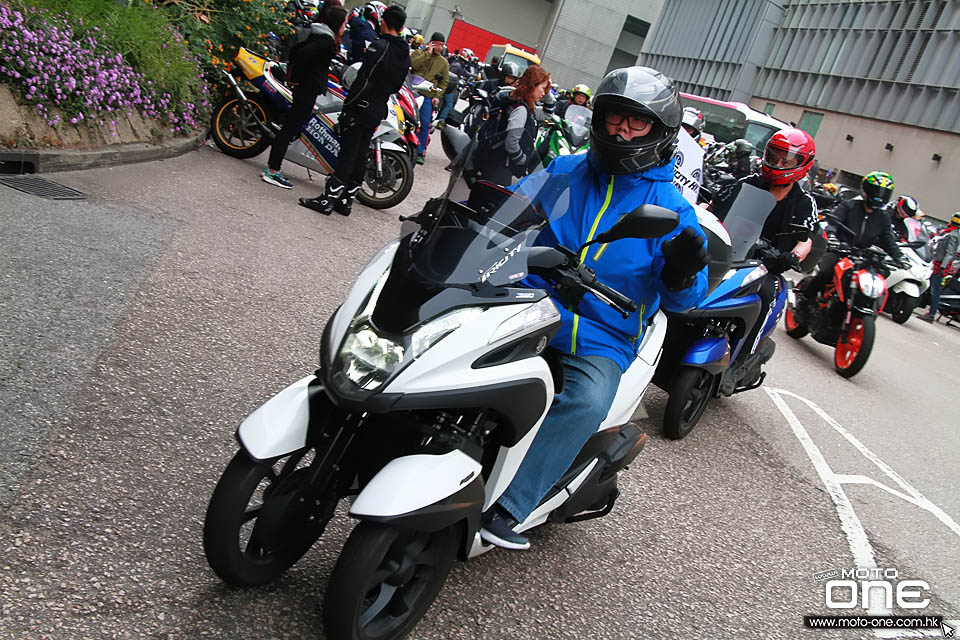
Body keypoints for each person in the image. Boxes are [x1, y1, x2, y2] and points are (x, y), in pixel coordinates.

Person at [479, 66, 710, 550]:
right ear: (599, 119)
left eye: (637, 123)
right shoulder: (565, 171)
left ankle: (511, 507)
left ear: (660, 133)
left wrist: (682, 270)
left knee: (585, 400)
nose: (622, 131)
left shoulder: (671, 207)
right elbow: (505, 219)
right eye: (614, 118)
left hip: (601, 333)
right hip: (528, 302)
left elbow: (685, 300)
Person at [711, 128, 819, 391]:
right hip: (728, 251)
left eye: (787, 160)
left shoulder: (804, 202)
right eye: (774, 156)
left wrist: (790, 257)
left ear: (802, 164)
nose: (778, 164)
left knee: (769, 296)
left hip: (766, 266)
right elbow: (713, 207)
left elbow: (806, 240)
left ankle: (741, 362)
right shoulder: (746, 182)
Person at [298, 5, 409, 216]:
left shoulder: (380, 46)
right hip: (378, 107)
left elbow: (363, 81)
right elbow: (396, 86)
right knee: (359, 155)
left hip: (361, 105)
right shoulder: (404, 53)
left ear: (384, 21)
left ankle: (327, 200)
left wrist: (350, 106)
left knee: (348, 154)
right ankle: (346, 201)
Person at [262, 4, 347, 189]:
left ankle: (273, 167)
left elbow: (298, 52)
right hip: (307, 88)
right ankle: (272, 170)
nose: (345, 27)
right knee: (289, 129)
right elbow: (301, 54)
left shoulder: (320, 35)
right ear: (337, 24)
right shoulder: (325, 41)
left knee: (291, 127)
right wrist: (296, 78)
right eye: (344, 23)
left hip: (307, 87)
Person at [803, 171, 906, 303]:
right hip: (840, 250)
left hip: (863, 257)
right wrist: (832, 237)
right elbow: (833, 222)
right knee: (826, 272)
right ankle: (806, 299)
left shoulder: (883, 216)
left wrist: (899, 256)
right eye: (876, 191)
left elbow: (888, 239)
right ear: (867, 190)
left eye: (884, 193)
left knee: (879, 278)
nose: (879, 197)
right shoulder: (849, 206)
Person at [474, 65, 551, 187]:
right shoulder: (521, 108)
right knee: (494, 202)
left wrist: (547, 92)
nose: (544, 93)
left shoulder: (524, 104)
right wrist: (522, 160)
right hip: (500, 166)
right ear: (533, 86)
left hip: (498, 163)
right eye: (542, 88)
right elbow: (511, 142)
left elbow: (547, 114)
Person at [409, 32, 449, 165]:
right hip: (412, 92)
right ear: (431, 43)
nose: (439, 48)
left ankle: (420, 152)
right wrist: (427, 53)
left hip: (428, 96)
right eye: (437, 44)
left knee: (425, 123)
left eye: (442, 45)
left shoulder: (443, 63)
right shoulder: (418, 54)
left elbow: (444, 83)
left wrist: (437, 96)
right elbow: (413, 65)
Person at [919, 212, 960, 322]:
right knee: (934, 288)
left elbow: (950, 253)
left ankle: (931, 314)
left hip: (941, 265)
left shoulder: (953, 235)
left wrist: (943, 266)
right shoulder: (949, 232)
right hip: (939, 262)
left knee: (935, 290)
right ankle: (930, 312)